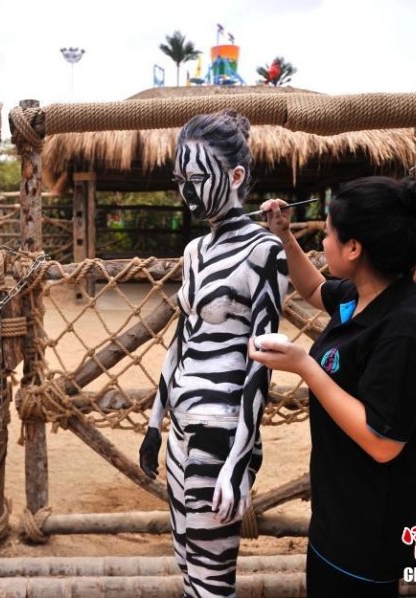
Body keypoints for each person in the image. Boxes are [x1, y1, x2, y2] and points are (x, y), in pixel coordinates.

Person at [249, 177, 416, 597]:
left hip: (373, 526)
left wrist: (305, 365)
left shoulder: (404, 331)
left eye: (327, 234)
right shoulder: (361, 296)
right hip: (340, 511)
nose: (322, 242)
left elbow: (382, 441)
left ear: (354, 248)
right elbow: (312, 288)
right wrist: (284, 234)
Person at [138, 110, 289, 597]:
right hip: (181, 433)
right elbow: (181, 342)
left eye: (197, 178)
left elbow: (260, 368)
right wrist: (153, 424)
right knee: (188, 566)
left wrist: (237, 465)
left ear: (236, 176)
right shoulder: (195, 251)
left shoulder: (265, 252)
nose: (187, 192)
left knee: (211, 581)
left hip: (220, 435)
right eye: (180, 179)